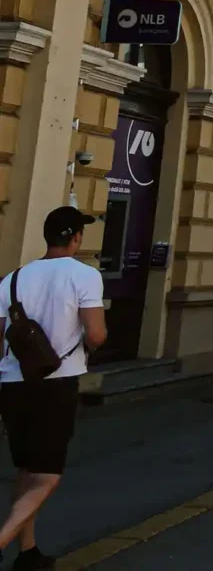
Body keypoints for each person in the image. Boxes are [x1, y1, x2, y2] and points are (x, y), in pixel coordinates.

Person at [0, 207, 108, 570]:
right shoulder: (85, 275)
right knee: (47, 476)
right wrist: (92, 341)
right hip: (55, 384)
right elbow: (95, 334)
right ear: (75, 237)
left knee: (28, 470)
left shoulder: (12, 279)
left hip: (13, 383)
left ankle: (27, 553)